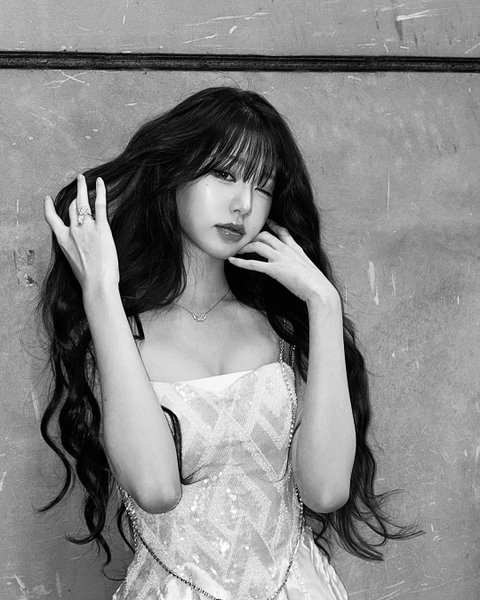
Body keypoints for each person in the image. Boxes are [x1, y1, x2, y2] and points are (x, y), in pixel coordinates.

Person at [38, 87, 417, 600]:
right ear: (175, 172)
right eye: (224, 174)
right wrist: (101, 293)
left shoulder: (282, 327)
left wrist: (324, 306)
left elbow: (326, 491)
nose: (243, 204)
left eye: (263, 187)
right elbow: (155, 489)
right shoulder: (119, 334)